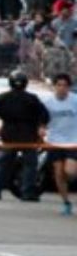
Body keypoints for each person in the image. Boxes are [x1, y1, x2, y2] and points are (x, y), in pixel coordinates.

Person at [0, 70, 49, 202]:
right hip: (28, 136)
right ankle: (27, 192)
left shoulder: (2, 98)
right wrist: (40, 125)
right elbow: (44, 114)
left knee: (4, 164)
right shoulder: (32, 99)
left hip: (9, 135)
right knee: (30, 165)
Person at [45, 73, 76, 216]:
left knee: (70, 172)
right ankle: (66, 202)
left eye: (65, 85)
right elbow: (42, 120)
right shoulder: (48, 102)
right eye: (59, 85)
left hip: (73, 141)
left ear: (69, 87)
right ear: (54, 86)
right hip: (55, 141)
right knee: (58, 173)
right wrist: (40, 128)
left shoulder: (75, 100)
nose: (62, 88)